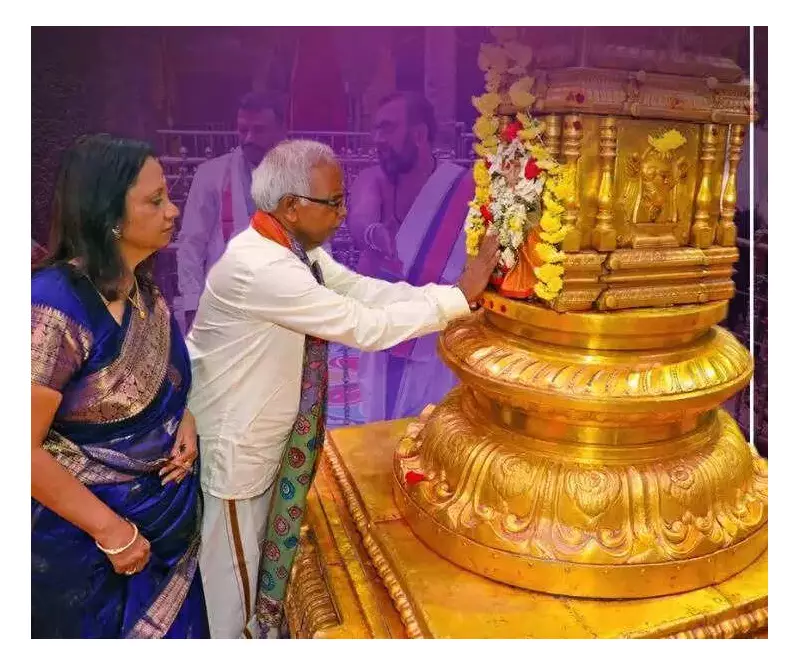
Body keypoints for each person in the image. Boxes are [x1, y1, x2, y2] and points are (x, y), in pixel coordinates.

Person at [188, 139, 499, 638]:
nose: (344, 212)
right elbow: (362, 326)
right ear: (292, 206)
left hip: (263, 435)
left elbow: (362, 290)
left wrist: (451, 298)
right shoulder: (263, 267)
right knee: (233, 594)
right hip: (237, 449)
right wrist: (458, 297)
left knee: (258, 577)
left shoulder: (294, 252)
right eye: (333, 202)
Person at [31, 134, 209, 638]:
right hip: (91, 553)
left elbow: (149, 387)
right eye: (155, 201)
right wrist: (112, 532)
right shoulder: (53, 308)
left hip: (164, 528)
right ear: (108, 214)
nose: (172, 210)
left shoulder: (141, 287)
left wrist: (183, 418)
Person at [347, 92, 474, 423]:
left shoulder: (462, 187)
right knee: (384, 429)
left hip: (437, 336)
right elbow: (360, 219)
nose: (378, 139)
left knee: (435, 432)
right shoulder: (373, 179)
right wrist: (374, 233)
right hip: (386, 332)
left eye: (387, 128)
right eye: (376, 129)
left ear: (418, 134)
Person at [176, 91, 286, 332]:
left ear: (280, 131)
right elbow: (191, 243)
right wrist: (192, 303)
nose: (248, 138)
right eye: (243, 129)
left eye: (259, 130)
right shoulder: (211, 175)